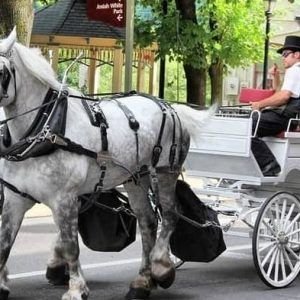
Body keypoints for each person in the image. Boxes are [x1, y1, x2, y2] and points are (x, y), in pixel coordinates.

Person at [250, 35, 300, 176]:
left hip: (283, 117)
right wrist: (276, 77)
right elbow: (282, 93)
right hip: (288, 117)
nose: (283, 57)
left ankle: (268, 164)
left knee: (246, 126)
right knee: (250, 123)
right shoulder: (296, 71)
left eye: (285, 54)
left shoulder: (295, 70)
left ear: (297, 54)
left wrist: (260, 104)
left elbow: (283, 97)